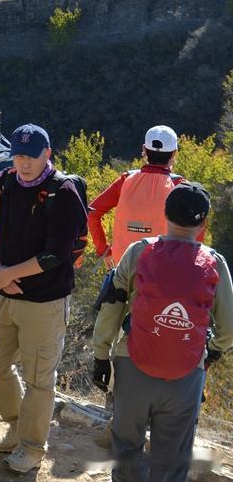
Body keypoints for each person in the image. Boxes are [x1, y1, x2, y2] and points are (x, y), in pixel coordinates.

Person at [92, 182, 233, 482]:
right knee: (172, 459)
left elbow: (112, 305)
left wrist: (101, 354)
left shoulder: (139, 250)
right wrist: (212, 352)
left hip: (133, 363)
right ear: (204, 223)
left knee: (127, 449)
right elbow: (229, 326)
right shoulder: (215, 263)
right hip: (186, 372)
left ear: (164, 213)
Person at [0, 123, 84, 475]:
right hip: (2, 293)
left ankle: (32, 447)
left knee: (39, 377)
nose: (24, 163)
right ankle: (15, 424)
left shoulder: (63, 192)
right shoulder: (5, 181)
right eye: (18, 156)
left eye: (32, 156)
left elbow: (56, 254)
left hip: (44, 300)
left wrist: (9, 273)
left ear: (47, 154)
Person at [88, 125, 185, 269]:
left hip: (123, 270)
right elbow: (196, 227)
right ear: (174, 153)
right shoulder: (180, 186)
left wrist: (104, 250)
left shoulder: (126, 180)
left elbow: (92, 213)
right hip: (162, 271)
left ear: (144, 150)